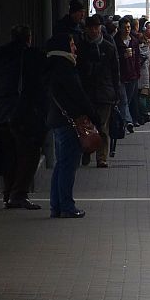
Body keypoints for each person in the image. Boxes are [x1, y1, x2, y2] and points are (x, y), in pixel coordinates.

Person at [0, 25, 46, 209]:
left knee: (8, 154)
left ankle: (8, 193)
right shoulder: (33, 56)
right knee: (29, 154)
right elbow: (39, 86)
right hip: (24, 113)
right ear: (29, 38)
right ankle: (19, 194)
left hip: (1, 111)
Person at [44, 32, 99, 219]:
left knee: (61, 165)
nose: (75, 48)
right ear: (64, 47)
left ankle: (56, 206)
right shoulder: (65, 68)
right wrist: (94, 115)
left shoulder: (51, 66)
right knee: (68, 165)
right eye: (72, 44)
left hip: (57, 120)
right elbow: (79, 95)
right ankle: (67, 206)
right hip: (69, 122)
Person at [76, 15, 119, 168]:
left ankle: (101, 157)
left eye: (96, 27)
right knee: (86, 126)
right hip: (86, 94)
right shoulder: (80, 47)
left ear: (100, 28)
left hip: (104, 93)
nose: (94, 31)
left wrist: (116, 93)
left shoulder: (109, 47)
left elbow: (115, 72)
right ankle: (87, 151)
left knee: (102, 126)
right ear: (86, 29)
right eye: (91, 28)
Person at [114, 18, 142, 128]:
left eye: (129, 27)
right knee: (124, 100)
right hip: (120, 75)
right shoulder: (115, 41)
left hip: (132, 75)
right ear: (120, 28)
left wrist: (138, 73)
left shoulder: (134, 41)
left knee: (127, 100)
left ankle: (122, 122)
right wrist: (122, 56)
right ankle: (128, 121)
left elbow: (137, 58)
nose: (127, 29)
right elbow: (113, 59)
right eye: (125, 27)